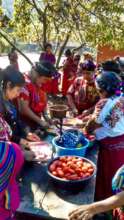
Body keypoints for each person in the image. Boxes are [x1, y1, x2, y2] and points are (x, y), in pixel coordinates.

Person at [82, 71, 124, 201]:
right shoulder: (121, 96)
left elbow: (92, 126)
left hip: (110, 147)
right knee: (117, 178)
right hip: (121, 145)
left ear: (101, 90)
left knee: (106, 177)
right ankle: (113, 207)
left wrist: (85, 128)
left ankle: (102, 208)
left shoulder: (104, 102)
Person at [0, 66, 40, 161]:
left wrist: (26, 134)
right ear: (9, 85)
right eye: (18, 90)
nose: (18, 94)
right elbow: (3, 140)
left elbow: (15, 121)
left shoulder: (8, 100)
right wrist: (21, 153)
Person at [18, 61, 56, 132]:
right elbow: (23, 109)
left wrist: (46, 117)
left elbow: (44, 99)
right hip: (24, 124)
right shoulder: (24, 83)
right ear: (37, 75)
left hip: (36, 122)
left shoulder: (40, 82)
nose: (45, 82)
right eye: (45, 79)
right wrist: (40, 121)